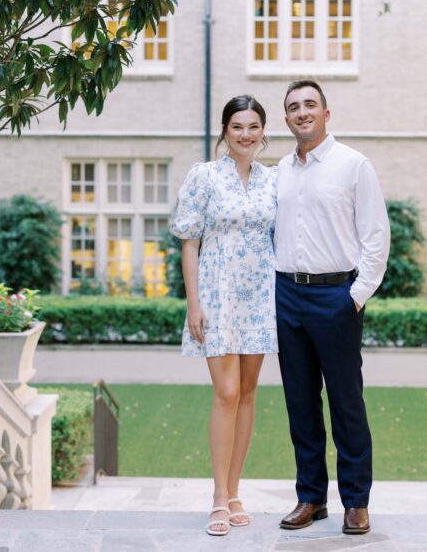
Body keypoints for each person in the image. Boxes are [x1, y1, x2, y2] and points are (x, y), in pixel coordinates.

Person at [274, 79, 390, 535]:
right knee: (299, 403)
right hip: (287, 296)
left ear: (326, 113)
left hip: (336, 297)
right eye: (293, 107)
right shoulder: (280, 170)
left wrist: (357, 295)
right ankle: (310, 498)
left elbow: (376, 235)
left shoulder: (353, 165)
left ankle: (356, 501)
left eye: (310, 104)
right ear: (286, 119)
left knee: (346, 403)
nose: (302, 112)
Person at [170, 95, 278, 537]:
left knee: (249, 393)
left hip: (260, 296)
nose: (246, 134)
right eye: (238, 127)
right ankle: (217, 495)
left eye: (253, 126)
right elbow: (189, 241)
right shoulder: (205, 176)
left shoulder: (274, 180)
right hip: (216, 294)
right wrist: (194, 303)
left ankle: (235, 492)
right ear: (225, 132)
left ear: (263, 132)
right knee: (226, 392)